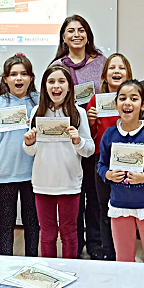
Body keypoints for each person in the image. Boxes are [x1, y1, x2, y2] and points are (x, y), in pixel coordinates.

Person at [23, 65, 94, 259]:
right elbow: (31, 151)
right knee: (47, 234)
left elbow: (89, 150)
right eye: (51, 81)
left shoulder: (78, 113)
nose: (56, 86)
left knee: (69, 233)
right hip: (42, 183)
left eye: (62, 81)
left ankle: (71, 270)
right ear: (45, 87)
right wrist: (28, 142)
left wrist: (78, 141)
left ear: (69, 86)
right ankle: (49, 271)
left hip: (69, 183)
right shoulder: (37, 111)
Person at [97, 80, 144, 263]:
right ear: (115, 104)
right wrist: (108, 174)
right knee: (123, 258)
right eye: (122, 98)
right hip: (120, 205)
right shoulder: (109, 134)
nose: (127, 103)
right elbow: (101, 165)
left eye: (134, 98)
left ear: (143, 105)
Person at [53, 14, 107, 260]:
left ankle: (96, 244)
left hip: (96, 137)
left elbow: (111, 93)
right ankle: (75, 243)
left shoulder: (101, 62)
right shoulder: (57, 66)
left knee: (94, 196)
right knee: (73, 194)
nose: (77, 35)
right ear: (64, 37)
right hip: (68, 140)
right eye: (71, 31)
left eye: (81, 30)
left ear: (88, 35)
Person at [86, 53, 144, 260]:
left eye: (121, 68)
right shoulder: (95, 100)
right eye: (112, 68)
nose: (116, 71)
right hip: (104, 162)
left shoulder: (139, 102)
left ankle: (126, 253)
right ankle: (108, 252)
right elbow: (90, 137)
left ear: (128, 74)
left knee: (128, 209)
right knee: (104, 207)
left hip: (132, 160)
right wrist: (91, 121)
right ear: (105, 74)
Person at [0, 54, 40, 256]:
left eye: (24, 74)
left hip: (34, 174)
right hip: (5, 172)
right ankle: (3, 262)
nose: (18, 78)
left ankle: (31, 261)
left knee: (32, 222)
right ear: (5, 78)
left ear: (31, 77)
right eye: (13, 74)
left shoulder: (40, 103)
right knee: (4, 224)